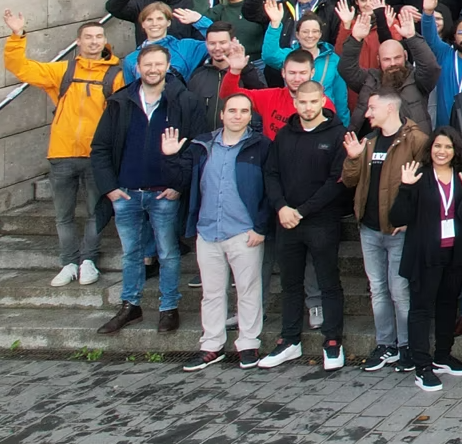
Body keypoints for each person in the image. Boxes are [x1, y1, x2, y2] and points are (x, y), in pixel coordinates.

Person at [90, 43, 211, 335]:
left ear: (168, 66)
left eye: (158, 64)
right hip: (127, 193)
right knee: (131, 253)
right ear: (137, 68)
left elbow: (198, 148)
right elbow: (100, 148)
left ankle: (168, 307)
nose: (153, 69)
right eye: (147, 65)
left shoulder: (185, 102)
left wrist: (178, 185)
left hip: (164, 193)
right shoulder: (120, 102)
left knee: (168, 253)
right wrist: (110, 188)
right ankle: (130, 305)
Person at [2, 11, 118, 289]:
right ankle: (68, 262)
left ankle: (88, 260)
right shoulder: (63, 71)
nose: (93, 42)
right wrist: (17, 36)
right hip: (62, 153)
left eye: (98, 37)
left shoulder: (116, 74)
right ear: (77, 42)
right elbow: (21, 68)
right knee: (63, 215)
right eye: (88, 37)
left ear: (105, 41)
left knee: (95, 212)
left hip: (96, 155)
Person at [261, 81, 349, 371]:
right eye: (302, 102)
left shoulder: (338, 135)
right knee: (290, 283)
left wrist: (302, 210)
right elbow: (271, 174)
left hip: (321, 222)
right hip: (286, 221)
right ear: (295, 103)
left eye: (313, 102)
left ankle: (333, 341)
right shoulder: (284, 135)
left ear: (323, 100)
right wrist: (281, 208)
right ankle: (289, 340)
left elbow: (337, 182)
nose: (308, 107)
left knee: (328, 283)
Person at [181, 91, 271, 370]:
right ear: (222, 114)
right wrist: (172, 156)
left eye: (244, 111)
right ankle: (212, 344)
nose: (237, 116)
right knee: (212, 292)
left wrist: (260, 226)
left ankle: (248, 344)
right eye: (232, 110)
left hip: (244, 231)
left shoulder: (260, 146)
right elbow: (185, 181)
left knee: (248, 290)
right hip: (208, 230)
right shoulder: (202, 145)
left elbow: (270, 189)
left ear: (250, 116)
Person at [339, 89, 426, 372]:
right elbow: (351, 181)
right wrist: (353, 158)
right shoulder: (368, 141)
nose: (366, 113)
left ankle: (406, 347)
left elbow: (425, 186)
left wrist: (412, 218)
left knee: (399, 290)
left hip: (398, 231)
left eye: (371, 108)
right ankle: (385, 344)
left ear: (390, 109)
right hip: (369, 228)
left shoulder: (416, 139)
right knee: (377, 289)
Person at [388, 128, 462, 390]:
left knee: (448, 306)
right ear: (430, 149)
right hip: (425, 255)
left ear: (455, 151)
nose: (442, 151)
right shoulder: (419, 177)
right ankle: (422, 366)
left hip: (454, 253)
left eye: (448, 147)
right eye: (437, 146)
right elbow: (397, 218)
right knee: (421, 309)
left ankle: (442, 355)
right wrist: (405, 187)